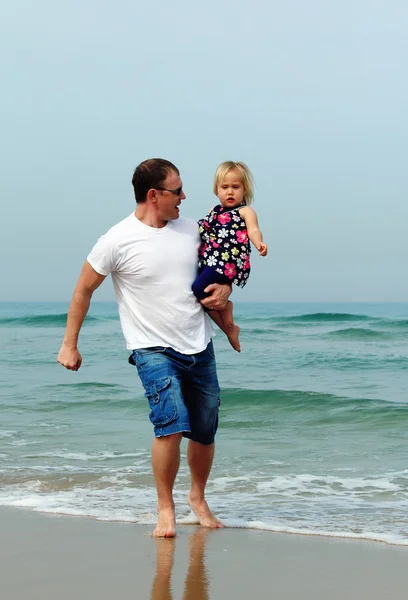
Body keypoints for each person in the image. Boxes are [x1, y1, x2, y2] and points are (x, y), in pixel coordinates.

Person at [57, 158, 231, 538]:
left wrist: (226, 289)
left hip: (199, 344)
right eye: (177, 190)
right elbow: (83, 290)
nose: (184, 197)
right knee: (170, 423)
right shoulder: (116, 240)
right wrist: (70, 344)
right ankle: (165, 508)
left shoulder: (192, 231)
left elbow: (220, 268)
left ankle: (197, 498)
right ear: (154, 195)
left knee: (204, 430)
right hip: (151, 347)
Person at [192, 161, 268, 352]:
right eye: (224, 187)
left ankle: (229, 327)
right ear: (216, 190)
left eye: (236, 187)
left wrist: (259, 243)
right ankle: (228, 325)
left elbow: (254, 229)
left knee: (198, 288)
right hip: (210, 259)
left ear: (245, 189)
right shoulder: (213, 211)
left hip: (228, 261)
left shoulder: (245, 211)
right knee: (204, 295)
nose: (230, 192)